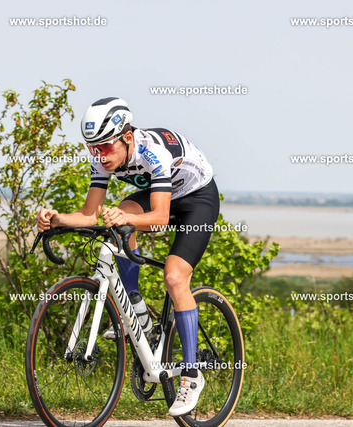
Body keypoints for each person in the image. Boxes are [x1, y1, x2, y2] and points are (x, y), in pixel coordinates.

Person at [37, 97, 219, 416]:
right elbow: (90, 214)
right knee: (118, 217)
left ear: (127, 137)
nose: (100, 155)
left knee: (175, 277)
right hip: (161, 193)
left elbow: (159, 218)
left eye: (106, 147)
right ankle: (135, 304)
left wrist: (126, 218)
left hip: (197, 199)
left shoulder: (153, 152)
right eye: (93, 148)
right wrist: (57, 218)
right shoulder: (102, 158)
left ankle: (192, 375)